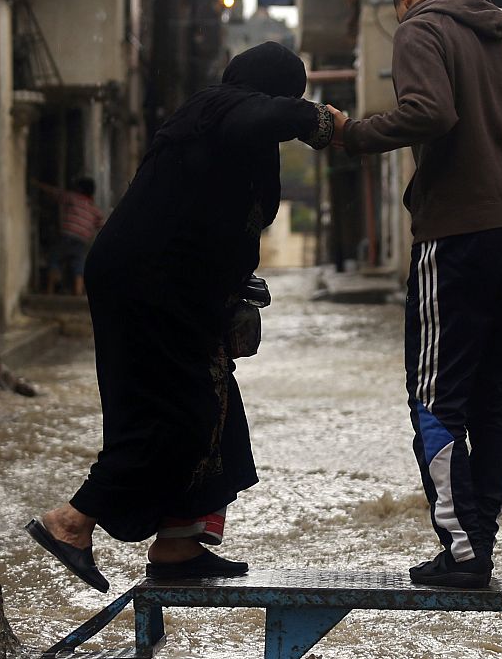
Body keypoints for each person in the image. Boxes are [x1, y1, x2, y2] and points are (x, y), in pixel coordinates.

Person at [26, 42, 333, 589]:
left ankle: (178, 545)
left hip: (174, 287)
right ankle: (71, 521)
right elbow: (260, 115)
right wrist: (325, 122)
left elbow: (219, 223)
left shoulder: (227, 129)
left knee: (214, 408)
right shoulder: (219, 108)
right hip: (149, 284)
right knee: (175, 410)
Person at [329, 0, 502, 588]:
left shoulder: (420, 29)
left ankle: (464, 548)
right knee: (495, 397)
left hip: (456, 237)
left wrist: (353, 134)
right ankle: (479, 541)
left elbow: (430, 112)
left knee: (434, 395)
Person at [38, 177, 106, 296]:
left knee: (54, 258)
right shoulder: (94, 208)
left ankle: (50, 290)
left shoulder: (73, 198)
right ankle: (78, 292)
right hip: (82, 240)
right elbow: (102, 224)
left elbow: (55, 193)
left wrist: (38, 184)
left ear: (79, 189)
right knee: (78, 265)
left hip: (68, 235)